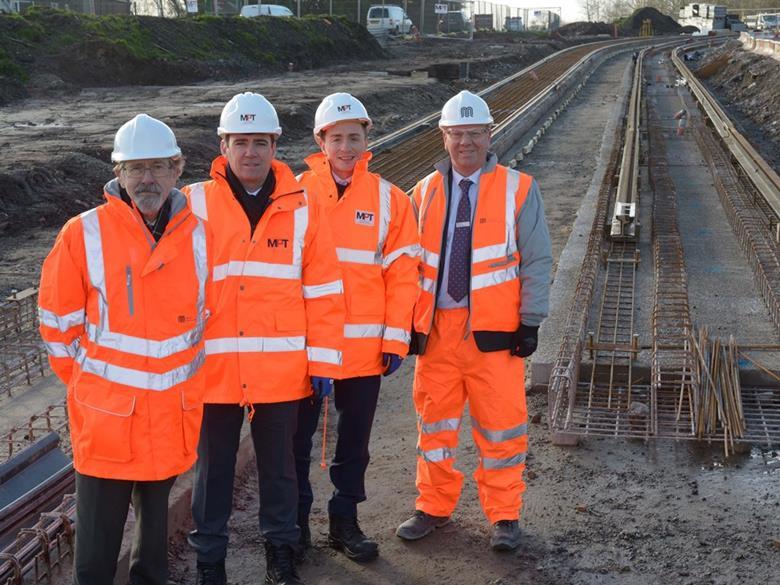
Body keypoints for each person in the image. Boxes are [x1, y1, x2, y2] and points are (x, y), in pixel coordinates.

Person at [38, 114, 210, 585]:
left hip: (169, 418)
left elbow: (206, 321)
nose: (146, 179)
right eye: (135, 168)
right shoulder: (83, 233)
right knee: (95, 558)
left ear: (177, 169)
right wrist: (96, 388)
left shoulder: (200, 235)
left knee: (152, 556)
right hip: (108, 424)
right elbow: (57, 325)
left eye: (157, 166)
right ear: (118, 173)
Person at [184, 92, 345, 585]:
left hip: (280, 371)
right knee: (212, 473)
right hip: (214, 372)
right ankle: (210, 562)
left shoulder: (303, 208)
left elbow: (324, 290)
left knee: (279, 470)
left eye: (259, 142)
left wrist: (323, 364)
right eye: (240, 142)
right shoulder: (192, 204)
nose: (250, 152)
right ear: (223, 146)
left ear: (275, 145)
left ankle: (281, 552)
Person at [395, 90, 552, 551]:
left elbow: (536, 259)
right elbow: (407, 265)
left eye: (475, 133)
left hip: (495, 336)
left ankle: (504, 516)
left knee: (502, 429)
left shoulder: (518, 188)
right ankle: (432, 507)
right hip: (437, 334)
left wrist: (530, 321)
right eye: (457, 133)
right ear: (443, 137)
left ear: (489, 135)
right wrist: (406, 323)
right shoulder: (423, 192)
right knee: (434, 429)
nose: (466, 142)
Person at [293, 93, 420, 563]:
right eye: (337, 138)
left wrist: (395, 337)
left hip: (364, 350)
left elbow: (403, 274)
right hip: (306, 348)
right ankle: (295, 525)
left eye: (354, 138)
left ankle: (344, 521)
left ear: (367, 139)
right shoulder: (295, 193)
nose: (346, 148)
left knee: (354, 445)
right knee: (295, 443)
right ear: (320, 141)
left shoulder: (390, 200)